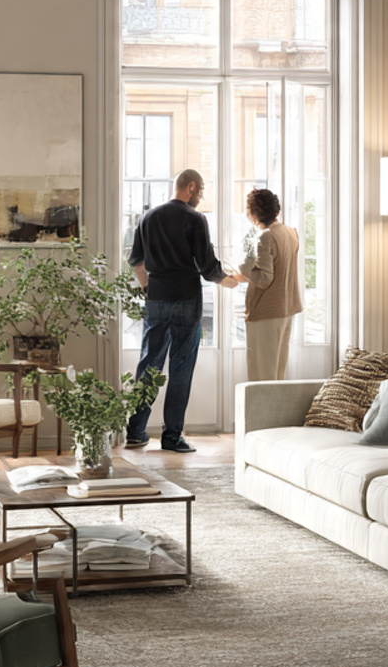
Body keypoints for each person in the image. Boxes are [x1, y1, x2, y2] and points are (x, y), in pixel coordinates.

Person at [126, 168, 239, 453]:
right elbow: (207, 266)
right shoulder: (195, 218)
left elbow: (137, 263)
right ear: (190, 187)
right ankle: (172, 437)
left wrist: (149, 290)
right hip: (187, 299)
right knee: (180, 368)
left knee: (149, 365)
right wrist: (229, 281)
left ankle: (136, 432)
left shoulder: (148, 218)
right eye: (200, 191)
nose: (200, 196)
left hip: (156, 299)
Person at [235, 187, 302, 380]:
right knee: (277, 375)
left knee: (261, 376)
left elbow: (264, 279)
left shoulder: (266, 236)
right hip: (286, 311)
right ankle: (276, 411)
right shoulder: (291, 233)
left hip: (267, 313)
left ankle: (260, 412)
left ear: (254, 212)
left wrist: (245, 271)